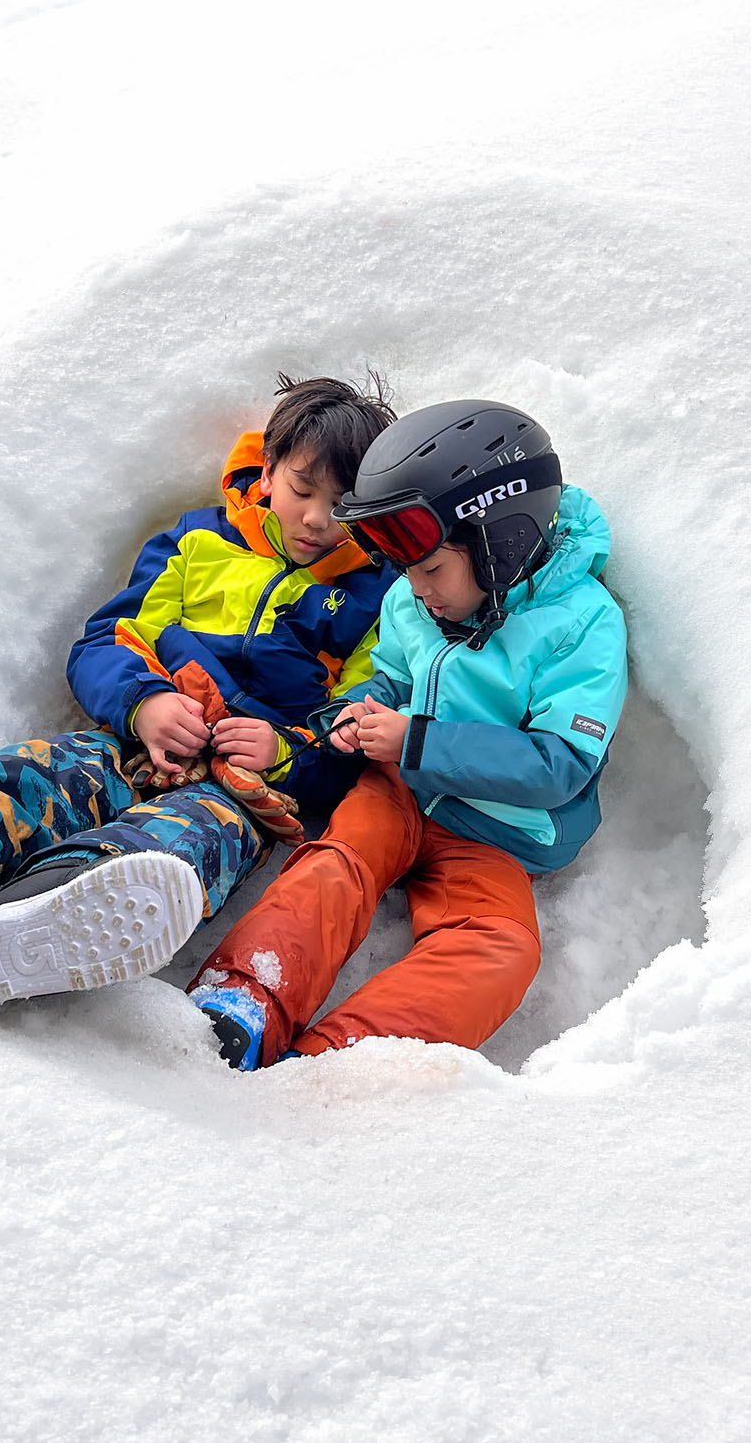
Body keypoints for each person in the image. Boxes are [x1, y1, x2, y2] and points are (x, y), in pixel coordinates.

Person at [0, 374, 397, 1012]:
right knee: (28, 781)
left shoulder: (376, 599)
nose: (316, 519)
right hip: (132, 740)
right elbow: (106, 639)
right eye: (302, 488)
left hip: (236, 786)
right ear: (268, 467)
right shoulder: (199, 543)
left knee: (185, 840)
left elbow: (355, 717)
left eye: (340, 506)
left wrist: (285, 748)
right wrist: (144, 704)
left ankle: (30, 924)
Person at [184, 399, 628, 1069]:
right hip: (396, 792)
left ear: (498, 544)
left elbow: (561, 765)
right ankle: (243, 1000)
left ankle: (348, 1057)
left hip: (497, 837)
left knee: (500, 946)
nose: (417, 593)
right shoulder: (414, 595)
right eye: (408, 574)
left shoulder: (583, 625)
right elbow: (388, 681)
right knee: (336, 867)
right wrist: (348, 719)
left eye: (431, 571)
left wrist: (418, 742)